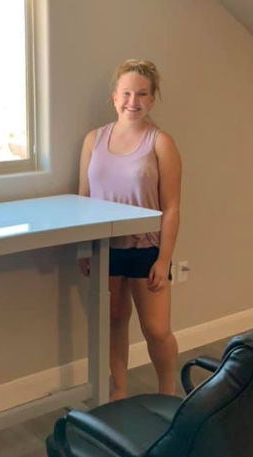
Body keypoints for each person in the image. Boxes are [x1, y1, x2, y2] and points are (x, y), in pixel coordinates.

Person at [78, 59, 181, 400]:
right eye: (126, 93)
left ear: (152, 99)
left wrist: (164, 259)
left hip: (145, 249)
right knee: (114, 322)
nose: (132, 101)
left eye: (141, 94)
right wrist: (84, 249)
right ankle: (118, 393)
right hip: (104, 249)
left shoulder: (160, 142)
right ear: (114, 97)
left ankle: (168, 396)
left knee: (156, 329)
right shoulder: (93, 140)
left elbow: (172, 207)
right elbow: (84, 198)